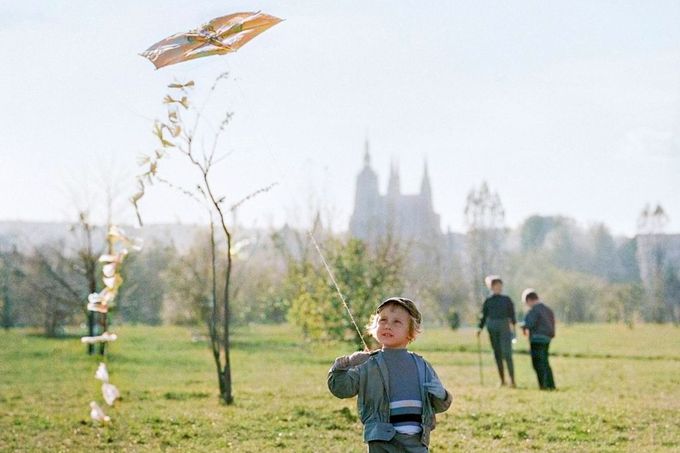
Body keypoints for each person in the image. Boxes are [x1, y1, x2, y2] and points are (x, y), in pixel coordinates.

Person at [328, 297, 452, 452]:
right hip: (382, 441)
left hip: (417, 442)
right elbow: (341, 389)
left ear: (411, 332)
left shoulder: (422, 365)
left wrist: (442, 394)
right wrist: (345, 364)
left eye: (397, 322)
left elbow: (438, 405)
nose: (387, 325)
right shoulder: (367, 363)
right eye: (383, 320)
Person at [477, 276, 516, 387]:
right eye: (496, 285)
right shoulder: (488, 301)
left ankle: (512, 380)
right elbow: (483, 316)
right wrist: (480, 328)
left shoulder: (507, 299)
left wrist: (513, 325)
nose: (498, 287)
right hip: (492, 327)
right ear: (492, 287)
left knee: (507, 353)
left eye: (500, 285)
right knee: (497, 354)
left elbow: (512, 314)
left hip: (504, 327)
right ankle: (502, 380)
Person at [521, 288, 556, 390]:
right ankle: (551, 384)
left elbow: (529, 324)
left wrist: (523, 326)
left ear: (529, 300)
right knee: (545, 362)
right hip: (547, 338)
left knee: (537, 363)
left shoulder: (533, 310)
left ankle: (543, 385)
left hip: (536, 339)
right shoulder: (548, 309)